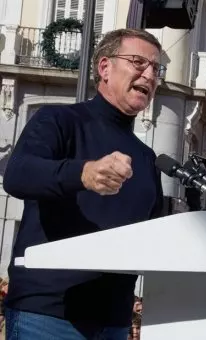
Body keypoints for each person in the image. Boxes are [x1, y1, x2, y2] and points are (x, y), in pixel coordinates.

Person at [2, 28, 165, 340]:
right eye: (138, 62)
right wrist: (84, 174)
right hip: (48, 316)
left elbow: (152, 234)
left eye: (156, 68)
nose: (150, 74)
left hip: (114, 322)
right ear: (105, 68)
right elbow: (18, 174)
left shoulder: (147, 159)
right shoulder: (58, 121)